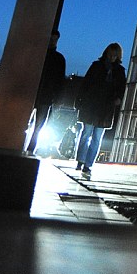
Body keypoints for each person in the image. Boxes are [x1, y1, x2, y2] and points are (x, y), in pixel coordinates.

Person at [74, 42, 126, 178]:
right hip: (93, 105)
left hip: (104, 107)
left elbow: (121, 88)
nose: (113, 57)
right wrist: (80, 100)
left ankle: (87, 163)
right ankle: (81, 161)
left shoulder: (119, 71)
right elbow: (86, 83)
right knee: (87, 134)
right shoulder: (97, 66)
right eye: (111, 54)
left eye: (115, 55)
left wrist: (118, 99)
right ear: (107, 53)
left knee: (95, 137)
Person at [25, 29, 67, 155]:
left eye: (54, 39)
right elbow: (60, 81)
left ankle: (28, 148)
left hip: (39, 94)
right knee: (38, 125)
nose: (52, 41)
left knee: (33, 124)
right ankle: (30, 149)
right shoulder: (58, 59)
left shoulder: (39, 55)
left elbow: (60, 81)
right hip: (45, 95)